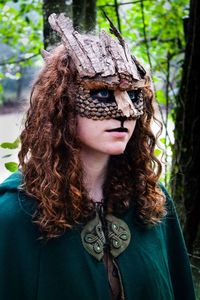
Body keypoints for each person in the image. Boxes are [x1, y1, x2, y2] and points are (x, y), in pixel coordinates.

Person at [0, 13, 196, 300]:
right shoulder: (14, 215)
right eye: (103, 94)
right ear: (62, 105)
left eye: (133, 95)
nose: (125, 110)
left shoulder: (151, 203)